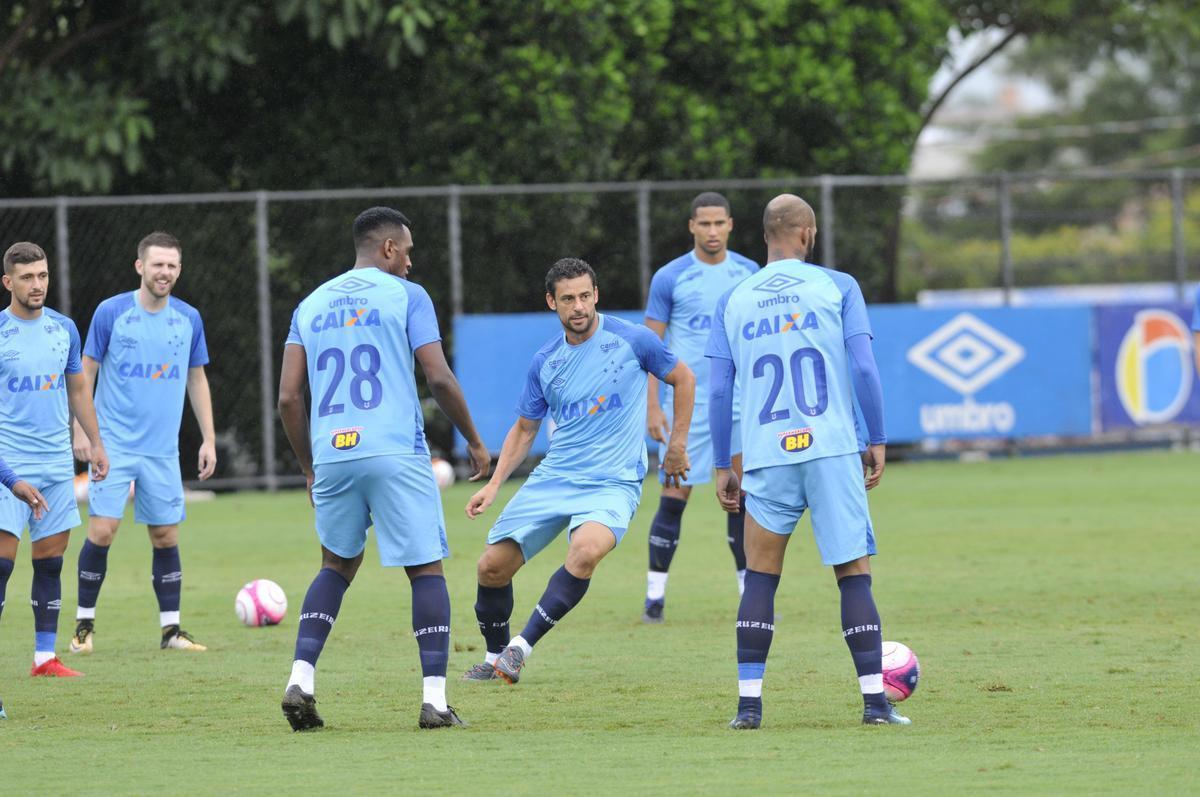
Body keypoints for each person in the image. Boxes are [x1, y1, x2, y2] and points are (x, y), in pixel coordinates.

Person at [277, 207, 490, 731]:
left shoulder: (310, 303)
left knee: (335, 565)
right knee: (426, 569)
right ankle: (435, 701)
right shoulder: (407, 297)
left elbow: (287, 397)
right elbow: (438, 378)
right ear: (389, 249)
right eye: (408, 252)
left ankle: (301, 678)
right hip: (394, 448)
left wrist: (309, 466)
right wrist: (476, 442)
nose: (411, 264)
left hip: (332, 452)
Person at [706, 195, 909, 729]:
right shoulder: (838, 287)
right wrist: (878, 436)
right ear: (808, 234)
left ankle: (749, 709)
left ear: (766, 235)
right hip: (830, 446)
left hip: (768, 453)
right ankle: (874, 704)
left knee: (759, 578)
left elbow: (719, 389)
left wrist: (724, 463)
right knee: (853, 575)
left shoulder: (734, 298)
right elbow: (864, 367)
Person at [462, 257, 694, 684]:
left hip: (612, 481)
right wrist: (494, 485)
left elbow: (684, 378)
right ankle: (495, 658)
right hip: (557, 476)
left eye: (585, 296)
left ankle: (521, 647)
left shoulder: (634, 340)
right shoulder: (545, 362)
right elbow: (525, 428)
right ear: (552, 302)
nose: (579, 306)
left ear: (596, 295)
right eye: (568, 298)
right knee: (491, 567)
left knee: (586, 551)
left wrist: (676, 445)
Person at [68, 231, 215, 655]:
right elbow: (86, 372)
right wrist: (81, 431)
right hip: (112, 444)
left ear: (179, 270)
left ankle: (171, 632)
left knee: (166, 536)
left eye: (171, 266)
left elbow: (197, 377)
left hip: (161, 451)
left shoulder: (189, 318)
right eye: (157, 265)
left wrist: (208, 438)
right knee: (102, 530)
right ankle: (83, 627)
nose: (164, 272)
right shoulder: (111, 312)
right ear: (140, 267)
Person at [640, 192, 759, 623]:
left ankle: (750, 594)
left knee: (742, 499)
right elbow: (650, 348)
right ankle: (655, 597)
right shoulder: (670, 277)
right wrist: (653, 408)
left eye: (719, 223)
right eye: (703, 224)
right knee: (673, 499)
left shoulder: (749, 273)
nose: (712, 231)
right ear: (691, 226)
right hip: (685, 406)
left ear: (730, 225)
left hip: (741, 404)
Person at [0, 242, 108, 679]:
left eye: (42, 275)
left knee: (50, 561)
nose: (37, 284)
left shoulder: (64, 328)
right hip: (8, 464)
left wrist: (96, 444)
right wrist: (9, 477)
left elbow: (78, 389)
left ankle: (45, 658)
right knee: (2, 566)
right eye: (27, 277)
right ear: (8, 282)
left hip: (55, 464)